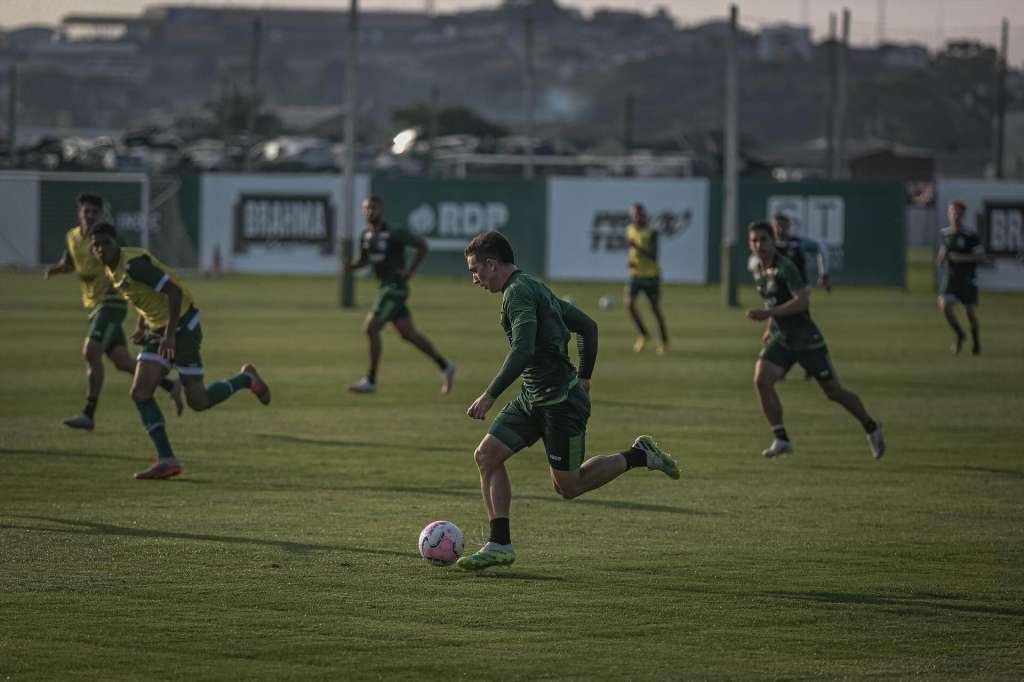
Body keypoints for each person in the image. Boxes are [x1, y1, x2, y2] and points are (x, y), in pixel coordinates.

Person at [459, 231, 680, 571]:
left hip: (560, 402)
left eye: (475, 269)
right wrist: (586, 376)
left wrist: (489, 395)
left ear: (491, 263)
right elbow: (588, 327)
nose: (474, 278)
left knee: (568, 486)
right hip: (534, 395)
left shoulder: (517, 294)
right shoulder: (533, 286)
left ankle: (640, 455)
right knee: (487, 456)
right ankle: (499, 544)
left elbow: (523, 348)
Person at [89, 222, 271, 480]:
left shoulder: (134, 265)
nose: (100, 249)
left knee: (199, 401)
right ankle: (167, 459)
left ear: (115, 242)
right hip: (158, 331)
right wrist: (142, 326)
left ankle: (246, 379)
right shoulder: (112, 270)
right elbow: (144, 298)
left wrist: (171, 336)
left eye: (105, 243)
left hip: (182, 327)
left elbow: (172, 292)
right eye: (95, 245)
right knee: (141, 393)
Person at [745, 221, 885, 460]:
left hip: (805, 338)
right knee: (762, 379)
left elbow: (802, 302)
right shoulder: (760, 270)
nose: (760, 244)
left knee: (833, 391)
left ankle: (871, 426)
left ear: (772, 241)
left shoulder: (785, 267)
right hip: (783, 338)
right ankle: (781, 438)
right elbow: (774, 302)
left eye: (764, 239)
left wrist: (769, 315)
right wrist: (771, 326)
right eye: (755, 240)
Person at [44, 193, 182, 430]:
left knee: (91, 351)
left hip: (112, 303)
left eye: (94, 212)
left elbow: (126, 260)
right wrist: (56, 269)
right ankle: (171, 386)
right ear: (79, 213)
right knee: (122, 361)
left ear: (101, 215)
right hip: (92, 306)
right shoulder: (72, 238)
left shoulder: (109, 238)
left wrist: (115, 279)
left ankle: (88, 413)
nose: (89, 216)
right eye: (85, 211)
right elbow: (69, 263)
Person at [342, 196, 455, 395]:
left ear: (382, 210)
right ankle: (445, 366)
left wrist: (410, 271)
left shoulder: (395, 232)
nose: (370, 212)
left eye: (374, 208)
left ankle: (371, 380)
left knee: (371, 328)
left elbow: (422, 245)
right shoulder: (366, 236)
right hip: (385, 288)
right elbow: (364, 261)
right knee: (409, 335)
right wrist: (350, 266)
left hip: (395, 289)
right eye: (367, 208)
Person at [936, 201, 987, 355]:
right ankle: (960, 334)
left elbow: (981, 258)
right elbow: (945, 249)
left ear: (963, 214)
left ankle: (976, 341)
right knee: (944, 305)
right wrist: (941, 258)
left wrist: (960, 258)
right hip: (950, 277)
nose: (954, 215)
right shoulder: (945, 233)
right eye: (952, 211)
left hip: (967, 279)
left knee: (969, 312)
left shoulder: (971, 235)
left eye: (957, 212)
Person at [625, 203, 669, 354]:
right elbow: (633, 251)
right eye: (634, 215)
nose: (636, 217)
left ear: (644, 215)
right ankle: (643, 334)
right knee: (629, 304)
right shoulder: (629, 230)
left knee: (655, 309)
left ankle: (664, 341)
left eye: (639, 214)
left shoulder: (652, 233)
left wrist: (636, 247)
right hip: (636, 275)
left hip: (651, 277)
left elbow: (653, 255)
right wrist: (631, 260)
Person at [772, 213, 831, 292]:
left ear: (788, 226)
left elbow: (821, 249)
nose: (780, 229)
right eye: (777, 226)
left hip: (800, 287)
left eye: (783, 226)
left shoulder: (798, 243)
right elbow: (754, 261)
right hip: (777, 288)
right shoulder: (769, 245)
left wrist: (824, 274)